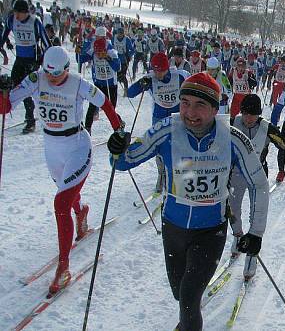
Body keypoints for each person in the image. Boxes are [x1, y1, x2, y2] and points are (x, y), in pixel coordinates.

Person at [107, 72, 269, 331]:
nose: (191, 113)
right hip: (174, 228)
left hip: (211, 230)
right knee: (180, 293)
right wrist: (116, 147)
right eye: (185, 103)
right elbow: (124, 161)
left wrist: (256, 232)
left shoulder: (234, 139)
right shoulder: (166, 131)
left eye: (200, 105)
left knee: (190, 297)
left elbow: (259, 185)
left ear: (215, 109)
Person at [0, 46, 123, 295]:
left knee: (60, 202)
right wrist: (3, 91)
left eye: (57, 74)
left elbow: (105, 102)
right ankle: (82, 211)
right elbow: (5, 107)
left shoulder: (78, 83)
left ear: (67, 69)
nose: (52, 78)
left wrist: (118, 128)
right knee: (67, 195)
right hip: (52, 148)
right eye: (49, 73)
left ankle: (64, 266)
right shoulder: (37, 78)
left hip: (77, 146)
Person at [229, 94, 285, 279]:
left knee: (257, 216)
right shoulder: (232, 123)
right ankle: (237, 237)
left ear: (258, 114)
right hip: (236, 174)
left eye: (252, 115)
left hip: (257, 175)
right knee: (232, 211)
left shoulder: (267, 128)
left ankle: (252, 256)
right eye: (245, 113)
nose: (247, 118)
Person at [127, 52, 190, 194]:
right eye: (155, 70)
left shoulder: (179, 76)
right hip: (159, 118)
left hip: (177, 117)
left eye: (160, 70)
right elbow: (130, 93)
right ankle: (161, 175)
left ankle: (181, 176)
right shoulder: (150, 78)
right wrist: (141, 84)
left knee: (181, 147)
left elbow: (194, 85)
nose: (158, 74)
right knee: (160, 149)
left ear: (167, 67)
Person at [0, 0, 51, 134]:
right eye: (15, 12)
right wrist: (4, 44)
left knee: (28, 88)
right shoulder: (12, 19)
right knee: (15, 85)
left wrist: (44, 59)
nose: (16, 16)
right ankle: (12, 110)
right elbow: (3, 35)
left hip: (31, 60)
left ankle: (31, 120)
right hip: (19, 58)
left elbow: (46, 43)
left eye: (19, 13)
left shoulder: (35, 21)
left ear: (26, 13)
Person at [80, 37, 121, 133]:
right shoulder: (93, 54)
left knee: (111, 109)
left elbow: (117, 67)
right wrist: (79, 50)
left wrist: (108, 58)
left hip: (111, 85)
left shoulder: (112, 53)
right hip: (98, 85)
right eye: (96, 52)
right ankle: (88, 129)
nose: (98, 54)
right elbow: (81, 59)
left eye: (100, 51)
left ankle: (119, 126)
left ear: (105, 50)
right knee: (92, 107)